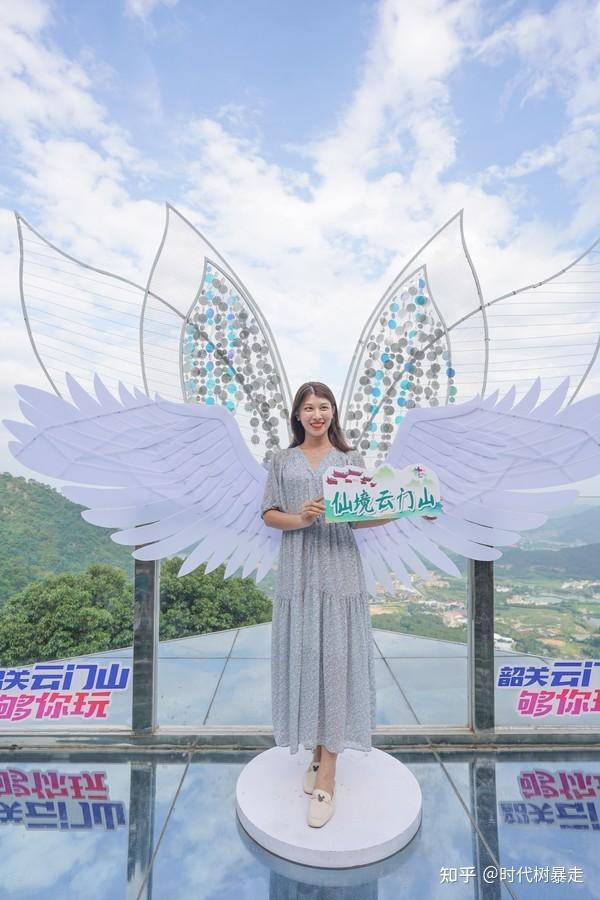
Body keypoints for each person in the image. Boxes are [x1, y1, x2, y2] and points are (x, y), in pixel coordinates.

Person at [261, 381, 392, 828]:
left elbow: (361, 515)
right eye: (308, 407)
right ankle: (317, 751)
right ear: (297, 415)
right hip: (298, 571)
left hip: (339, 570)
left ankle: (328, 772)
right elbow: (269, 514)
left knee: (336, 662)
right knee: (308, 657)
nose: (317, 414)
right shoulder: (281, 461)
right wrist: (301, 518)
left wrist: (407, 509)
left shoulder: (350, 461)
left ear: (333, 412)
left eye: (324, 406)